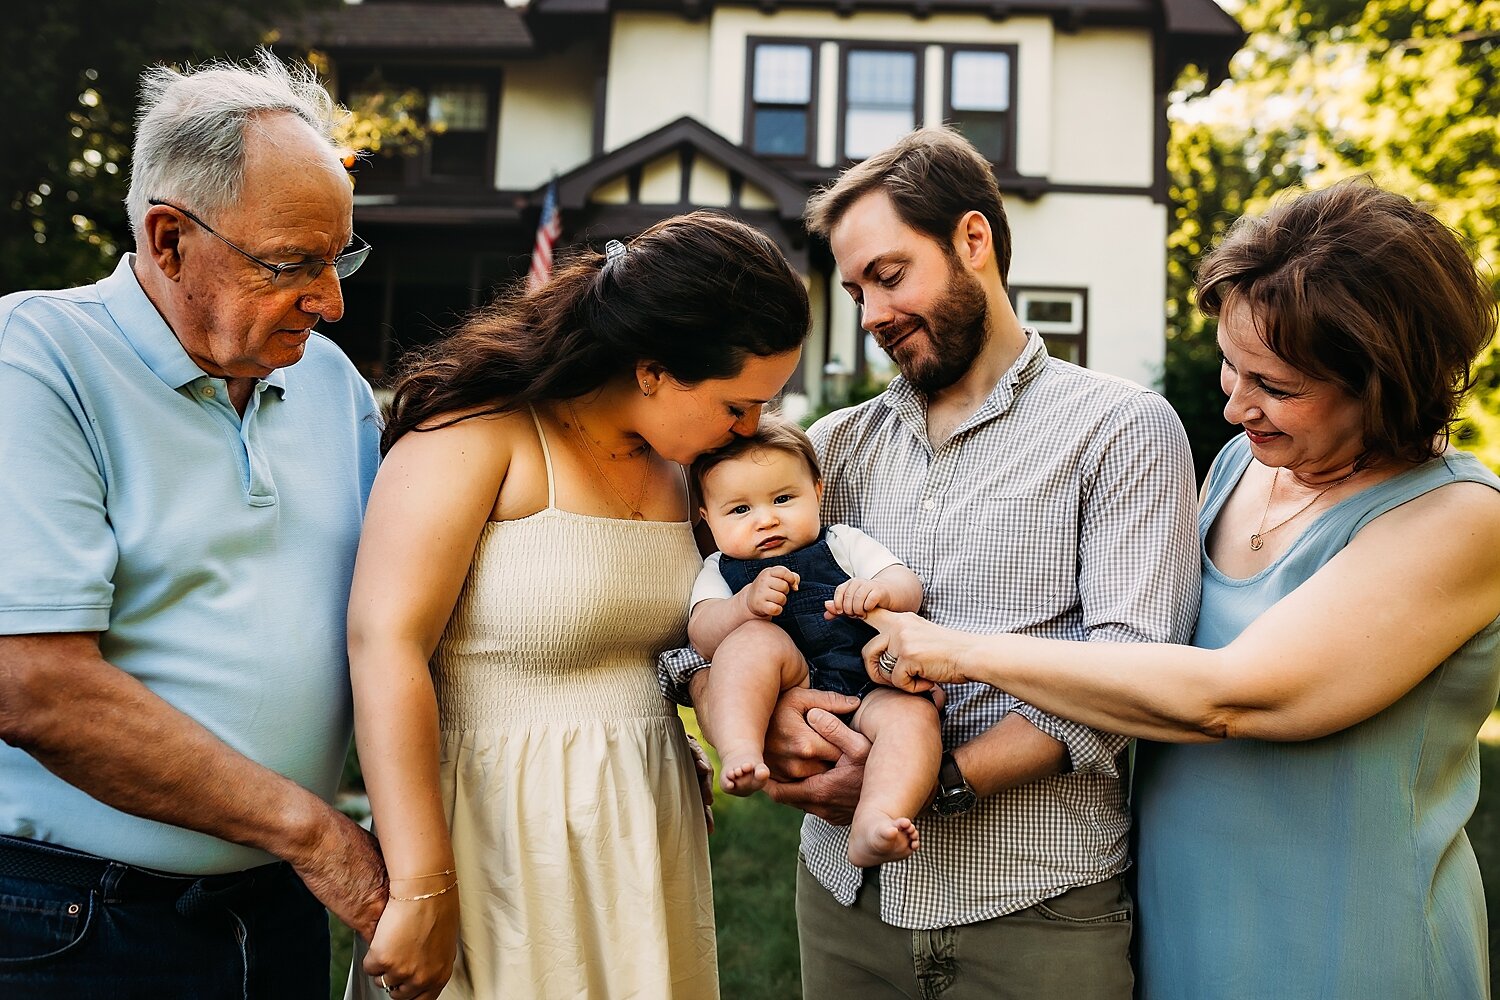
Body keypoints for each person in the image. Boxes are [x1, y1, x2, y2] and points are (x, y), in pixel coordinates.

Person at [867, 178, 1500, 999]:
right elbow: (1142, 653)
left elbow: (1235, 697)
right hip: (1181, 920)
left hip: (1346, 938)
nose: (1237, 407)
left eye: (1275, 387)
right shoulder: (1243, 467)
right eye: (1232, 370)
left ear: (1385, 381)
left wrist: (965, 652)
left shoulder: (1458, 518)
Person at [661, 126, 1200, 998]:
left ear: (973, 241)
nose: (871, 315)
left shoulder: (1122, 431)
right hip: (846, 900)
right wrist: (776, 725)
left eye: (889, 274)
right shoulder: (825, 454)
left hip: (1037, 902)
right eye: (854, 289)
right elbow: (691, 635)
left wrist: (932, 784)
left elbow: (1128, 684)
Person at [343, 213, 809, 1000]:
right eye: (738, 405)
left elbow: (656, 641)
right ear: (653, 369)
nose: (751, 429)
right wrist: (421, 881)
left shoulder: (680, 471)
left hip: (641, 825)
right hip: (497, 830)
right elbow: (382, 645)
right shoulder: (479, 433)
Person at [0, 51, 385, 998]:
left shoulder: (332, 384)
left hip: (277, 907)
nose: (330, 302)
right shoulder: (36, 360)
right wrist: (314, 832)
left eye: (339, 261)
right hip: (73, 921)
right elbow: (34, 683)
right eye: (292, 264)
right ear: (169, 240)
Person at [686, 416, 935, 866]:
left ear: (817, 492)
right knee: (750, 642)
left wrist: (878, 591)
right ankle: (742, 750)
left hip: (869, 684)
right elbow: (703, 637)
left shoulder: (842, 543)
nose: (766, 519)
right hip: (792, 679)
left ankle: (877, 818)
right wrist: (743, 606)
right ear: (708, 518)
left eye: (783, 498)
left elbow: (906, 583)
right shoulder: (719, 571)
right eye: (740, 510)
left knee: (913, 718)